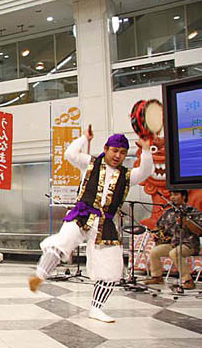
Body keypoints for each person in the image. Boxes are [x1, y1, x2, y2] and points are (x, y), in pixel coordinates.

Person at [28, 125, 153, 323]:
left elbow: (147, 170)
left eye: (122, 152)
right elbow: (70, 153)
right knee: (62, 242)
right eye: (114, 151)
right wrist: (84, 138)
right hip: (82, 214)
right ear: (105, 149)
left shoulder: (127, 176)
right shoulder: (91, 163)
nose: (118, 156)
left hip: (106, 224)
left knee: (111, 267)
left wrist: (146, 150)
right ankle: (39, 276)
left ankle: (96, 308)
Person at [144, 190, 202, 289]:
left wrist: (187, 222)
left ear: (183, 196)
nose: (172, 198)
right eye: (171, 195)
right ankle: (157, 277)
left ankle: (187, 280)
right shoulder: (168, 212)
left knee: (174, 253)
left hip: (189, 245)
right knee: (154, 252)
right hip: (173, 243)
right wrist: (157, 233)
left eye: (176, 195)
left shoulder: (192, 212)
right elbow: (159, 227)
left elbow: (199, 231)